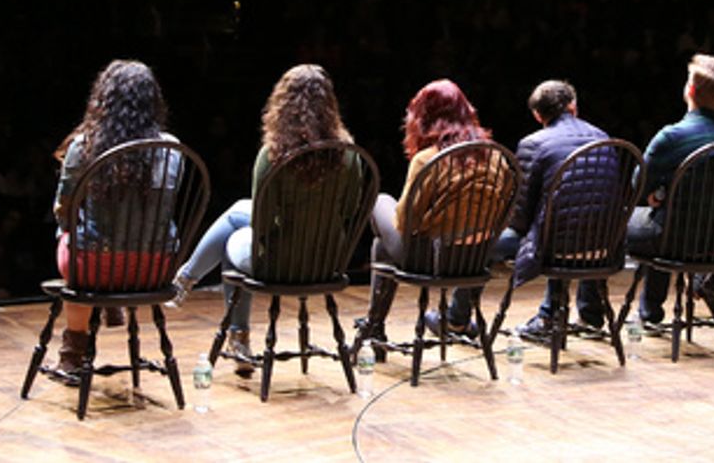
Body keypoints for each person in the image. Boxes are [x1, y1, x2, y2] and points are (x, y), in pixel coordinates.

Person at [167, 64, 355, 376]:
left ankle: (233, 333)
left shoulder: (273, 155)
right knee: (240, 210)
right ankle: (186, 281)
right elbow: (349, 211)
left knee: (232, 240)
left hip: (280, 265)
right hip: (328, 261)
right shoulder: (349, 155)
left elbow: (264, 226)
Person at [433, 80, 611, 338]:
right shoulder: (603, 137)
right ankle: (588, 314)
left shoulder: (533, 143)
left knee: (482, 243)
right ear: (573, 107)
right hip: (603, 241)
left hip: (556, 244)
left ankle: (456, 319)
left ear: (537, 115)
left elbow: (520, 216)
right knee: (579, 219)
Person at [50, 59, 180, 378]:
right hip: (156, 266)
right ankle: (110, 301)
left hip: (96, 265)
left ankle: (73, 351)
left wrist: (69, 230)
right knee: (106, 234)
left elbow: (63, 207)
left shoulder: (83, 147)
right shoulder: (172, 149)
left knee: (71, 238)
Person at [360, 79, 513, 341]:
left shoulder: (427, 159)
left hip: (432, 259)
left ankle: (374, 327)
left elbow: (405, 222)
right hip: (476, 259)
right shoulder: (496, 156)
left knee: (381, 205)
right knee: (382, 246)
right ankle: (377, 327)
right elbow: (504, 213)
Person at [628, 54, 714, 324]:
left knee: (618, 224)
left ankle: (596, 312)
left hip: (674, 237)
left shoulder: (672, 136)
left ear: (690, 90)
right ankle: (651, 309)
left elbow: (638, 184)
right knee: (668, 215)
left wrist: (658, 192)